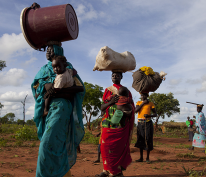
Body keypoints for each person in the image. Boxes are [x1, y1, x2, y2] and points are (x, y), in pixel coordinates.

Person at [31, 44, 85, 177]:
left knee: (48, 143)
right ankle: (64, 174)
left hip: (61, 108)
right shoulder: (43, 70)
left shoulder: (69, 69)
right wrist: (47, 87)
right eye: (47, 49)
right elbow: (37, 90)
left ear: (58, 50)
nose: (48, 52)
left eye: (51, 49)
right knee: (55, 143)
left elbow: (80, 88)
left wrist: (57, 90)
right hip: (47, 109)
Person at [95, 71, 135, 177]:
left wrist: (126, 111)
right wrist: (112, 102)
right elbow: (103, 106)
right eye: (113, 75)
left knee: (118, 148)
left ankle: (116, 172)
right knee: (104, 147)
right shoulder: (108, 90)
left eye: (117, 75)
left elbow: (131, 106)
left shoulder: (126, 91)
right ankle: (106, 170)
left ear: (121, 77)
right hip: (107, 123)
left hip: (121, 125)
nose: (115, 77)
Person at [134, 92, 157, 163]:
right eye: (141, 95)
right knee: (140, 139)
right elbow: (136, 110)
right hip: (140, 123)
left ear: (147, 96)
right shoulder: (138, 102)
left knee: (148, 139)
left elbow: (155, 114)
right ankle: (141, 158)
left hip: (148, 123)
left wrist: (149, 116)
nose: (142, 96)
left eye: (144, 95)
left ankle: (147, 158)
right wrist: (143, 103)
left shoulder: (151, 103)